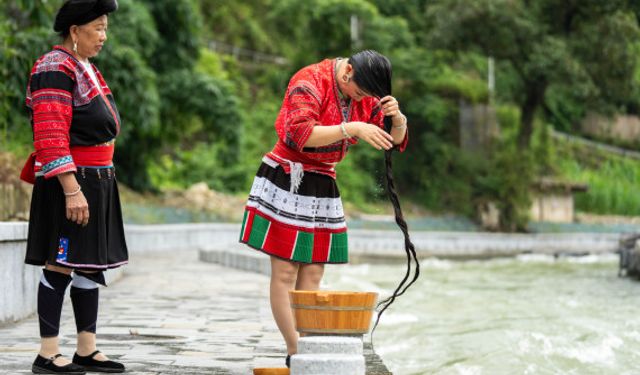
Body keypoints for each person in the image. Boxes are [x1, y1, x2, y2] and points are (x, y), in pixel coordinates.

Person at [238, 50, 409, 367]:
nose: (362, 99)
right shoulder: (309, 80)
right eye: (360, 92)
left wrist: (397, 118)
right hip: (288, 174)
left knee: (314, 272)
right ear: (347, 73)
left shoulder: (365, 94)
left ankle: (306, 345)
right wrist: (352, 128)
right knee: (285, 271)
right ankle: (295, 351)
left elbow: (392, 140)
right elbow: (303, 135)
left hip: (323, 180)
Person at [20, 0, 127, 373]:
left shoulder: (86, 67)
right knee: (60, 263)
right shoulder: (54, 67)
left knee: (87, 267)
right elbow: (50, 133)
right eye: (97, 27)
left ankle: (86, 349)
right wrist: (71, 188)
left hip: (97, 180)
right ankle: (47, 353)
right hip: (72, 182)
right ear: (75, 30)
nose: (103, 35)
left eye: (105, 28)